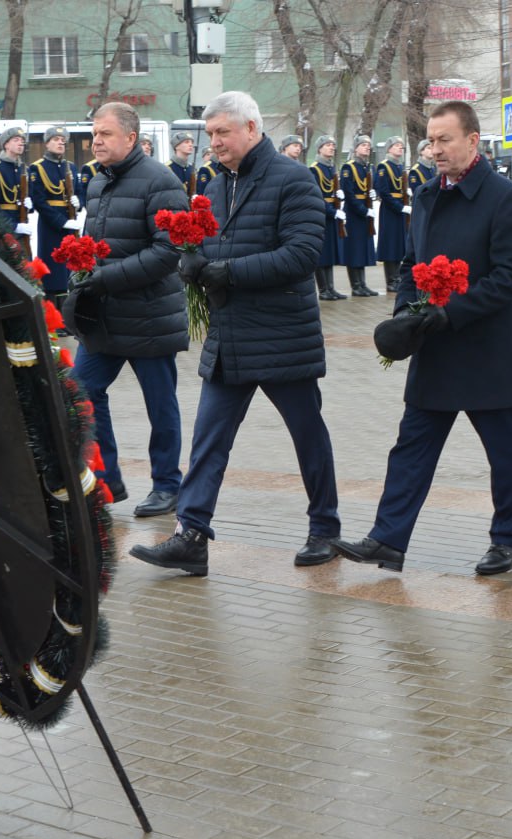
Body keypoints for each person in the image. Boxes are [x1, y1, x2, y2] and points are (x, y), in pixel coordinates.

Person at [129, 91, 341, 576]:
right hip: (230, 337)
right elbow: (213, 243)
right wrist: (193, 259)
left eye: (223, 132)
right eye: (210, 134)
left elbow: (303, 255)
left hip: (282, 336)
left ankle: (325, 529)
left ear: (251, 128)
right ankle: (191, 535)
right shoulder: (217, 183)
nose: (215, 142)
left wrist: (227, 271)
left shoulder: (294, 179)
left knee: (307, 435)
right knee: (208, 439)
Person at [333, 99, 512, 576]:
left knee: (502, 451)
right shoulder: (424, 194)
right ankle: (388, 539)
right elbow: (411, 264)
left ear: (473, 141)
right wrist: (405, 315)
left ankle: (506, 540)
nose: (436, 149)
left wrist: (450, 313)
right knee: (411, 447)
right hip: (434, 347)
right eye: (431, 141)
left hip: (484, 349)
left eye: (445, 140)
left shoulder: (505, 197)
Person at [65, 102, 189, 512]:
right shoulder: (98, 181)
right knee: (81, 392)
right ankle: (106, 480)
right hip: (104, 315)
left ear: (131, 138)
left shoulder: (160, 181)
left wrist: (107, 277)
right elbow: (97, 242)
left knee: (160, 404)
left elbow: (169, 252)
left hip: (149, 316)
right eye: (94, 134)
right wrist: (81, 270)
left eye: (106, 134)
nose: (96, 141)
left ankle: (167, 485)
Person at [28, 125, 81, 303]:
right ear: (47, 144)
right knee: (53, 270)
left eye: (63, 141)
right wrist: (61, 222)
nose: (60, 143)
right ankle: (54, 309)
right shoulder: (37, 168)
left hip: (71, 221)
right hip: (50, 225)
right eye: (56, 140)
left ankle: (70, 307)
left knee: (71, 267)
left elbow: (80, 192)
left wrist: (79, 202)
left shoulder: (70, 167)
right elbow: (39, 201)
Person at [340, 134, 379, 296]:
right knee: (354, 249)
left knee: (362, 248)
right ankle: (355, 286)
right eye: (363, 145)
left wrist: (374, 193)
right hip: (354, 214)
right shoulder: (348, 168)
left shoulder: (368, 167)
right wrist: (364, 211)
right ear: (355, 148)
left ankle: (362, 284)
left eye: (368, 145)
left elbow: (373, 186)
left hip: (365, 211)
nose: (367, 147)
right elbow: (349, 194)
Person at [309, 134, 346, 301]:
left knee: (330, 252)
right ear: (319, 148)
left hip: (331, 213)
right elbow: (316, 196)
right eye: (328, 145)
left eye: (333, 145)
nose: (332, 147)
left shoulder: (331, 168)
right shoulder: (314, 169)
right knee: (322, 253)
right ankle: (323, 289)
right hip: (321, 214)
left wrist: (339, 196)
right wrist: (332, 211)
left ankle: (331, 288)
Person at [374, 136, 409, 292]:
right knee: (390, 244)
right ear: (389, 149)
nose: (400, 148)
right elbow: (383, 191)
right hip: (390, 210)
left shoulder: (399, 166)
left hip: (400, 208)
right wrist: (399, 207)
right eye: (397, 145)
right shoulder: (384, 166)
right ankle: (391, 280)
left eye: (401, 146)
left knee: (399, 243)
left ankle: (398, 277)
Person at [0, 126, 29, 235]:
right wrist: (13, 226)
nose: (21, 143)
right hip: (4, 229)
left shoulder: (24, 169)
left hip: (23, 224)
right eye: (16, 140)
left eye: (22, 141)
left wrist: (30, 205)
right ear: (6, 145)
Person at [167, 130, 197, 197]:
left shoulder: (191, 168)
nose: (191, 145)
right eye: (186, 142)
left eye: (192, 142)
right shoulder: (168, 168)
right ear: (176, 146)